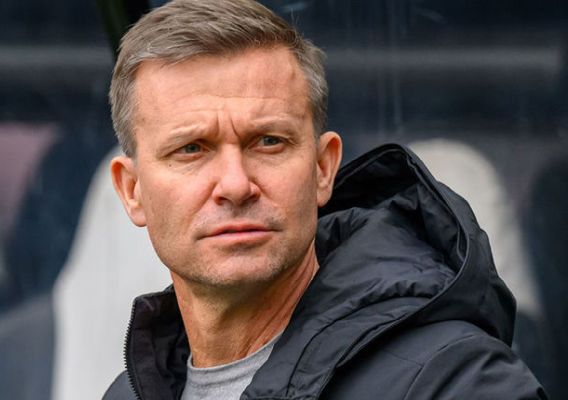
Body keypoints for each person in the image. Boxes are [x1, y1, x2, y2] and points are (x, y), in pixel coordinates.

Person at [104, 1, 546, 399]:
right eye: (191, 149)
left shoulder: (455, 382)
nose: (236, 186)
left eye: (269, 141)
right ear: (131, 190)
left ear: (322, 168)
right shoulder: (130, 393)